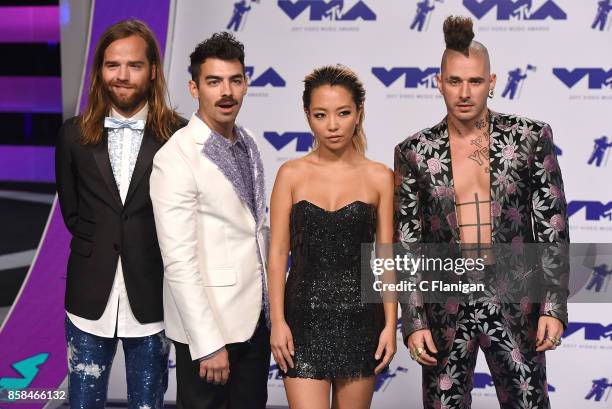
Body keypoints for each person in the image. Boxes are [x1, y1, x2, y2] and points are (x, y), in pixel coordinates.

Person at [394, 16, 569, 409]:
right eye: (454, 81)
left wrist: (553, 307)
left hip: (515, 301)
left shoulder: (528, 138)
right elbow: (406, 243)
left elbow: (552, 226)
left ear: (492, 82)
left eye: (475, 81)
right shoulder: (414, 151)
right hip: (445, 304)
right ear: (438, 82)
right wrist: (415, 321)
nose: (464, 92)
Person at [55, 19, 184, 409]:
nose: (122, 75)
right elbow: (73, 213)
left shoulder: (180, 136)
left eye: (134, 65)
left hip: (154, 298)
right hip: (88, 297)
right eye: (113, 65)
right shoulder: (72, 135)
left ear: (153, 71)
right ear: (99, 71)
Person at [150, 32, 270, 409]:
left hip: (254, 322)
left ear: (246, 84)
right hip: (211, 333)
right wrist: (207, 344)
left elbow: (253, 230)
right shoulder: (176, 157)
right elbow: (178, 261)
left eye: (235, 80)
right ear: (194, 87)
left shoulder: (249, 141)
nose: (226, 92)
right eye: (214, 81)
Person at [268, 65, 397, 409]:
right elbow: (278, 254)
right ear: (308, 116)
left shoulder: (380, 176)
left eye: (343, 113)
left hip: (361, 319)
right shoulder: (291, 174)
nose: (333, 125)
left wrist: (390, 324)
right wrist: (277, 321)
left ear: (359, 113)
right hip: (302, 320)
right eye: (320, 114)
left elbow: (385, 258)